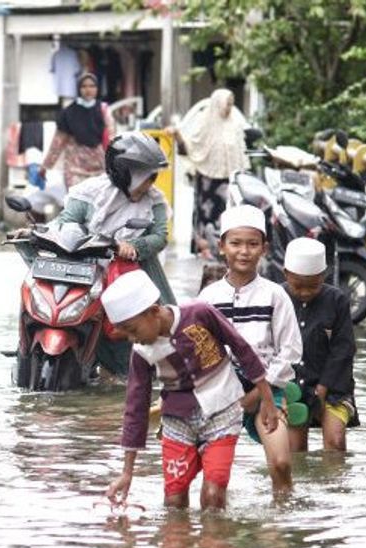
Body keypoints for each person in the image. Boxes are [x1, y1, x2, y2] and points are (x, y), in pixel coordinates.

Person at [102, 270, 279, 511]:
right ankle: (177, 545)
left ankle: (213, 545)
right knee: (174, 500)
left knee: (213, 495)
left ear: (154, 312)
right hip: (177, 422)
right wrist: (127, 472)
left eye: (133, 330)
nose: (133, 339)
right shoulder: (141, 353)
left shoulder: (199, 313)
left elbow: (241, 348)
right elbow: (136, 407)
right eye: (126, 334)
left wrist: (267, 399)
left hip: (223, 412)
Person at [37, 132, 177, 376]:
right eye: (147, 176)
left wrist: (135, 247)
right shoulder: (90, 192)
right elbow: (66, 221)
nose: (151, 183)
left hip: (137, 271)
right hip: (87, 270)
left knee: (163, 332)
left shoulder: (155, 200)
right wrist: (38, 232)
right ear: (126, 173)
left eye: (153, 176)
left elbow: (160, 235)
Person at [197, 205, 303, 497]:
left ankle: (282, 518)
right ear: (222, 247)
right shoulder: (208, 298)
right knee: (214, 480)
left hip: (267, 391)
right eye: (236, 243)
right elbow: (199, 350)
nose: (244, 251)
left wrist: (259, 393)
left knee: (281, 463)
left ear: (264, 249)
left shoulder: (274, 294)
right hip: (221, 394)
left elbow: (290, 351)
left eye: (252, 244)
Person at [282, 238, 358, 452]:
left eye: (313, 286)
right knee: (293, 452)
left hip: (333, 387)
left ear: (323, 276)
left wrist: (322, 389)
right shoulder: (276, 297)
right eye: (298, 286)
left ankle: (334, 485)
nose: (305, 292)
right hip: (291, 388)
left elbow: (343, 349)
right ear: (285, 274)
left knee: (335, 443)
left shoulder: (337, 300)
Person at [171, 89, 250, 259]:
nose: (229, 107)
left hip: (227, 179)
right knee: (205, 214)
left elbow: (240, 150)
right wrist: (177, 136)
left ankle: (223, 246)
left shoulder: (234, 123)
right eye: (226, 104)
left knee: (225, 213)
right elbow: (190, 146)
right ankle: (204, 248)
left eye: (231, 104)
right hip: (207, 178)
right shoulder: (204, 122)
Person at [39, 73, 111, 189]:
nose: (88, 90)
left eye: (92, 86)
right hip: (74, 169)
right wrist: (46, 166)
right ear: (78, 89)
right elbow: (57, 143)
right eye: (84, 86)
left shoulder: (104, 111)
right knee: (76, 204)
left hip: (99, 169)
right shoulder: (68, 113)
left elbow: (112, 139)